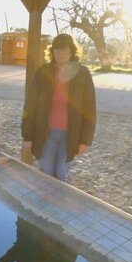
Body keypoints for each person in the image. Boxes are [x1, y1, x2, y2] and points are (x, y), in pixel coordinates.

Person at [21, 33, 96, 181]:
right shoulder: (43, 73)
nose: (60, 53)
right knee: (45, 172)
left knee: (61, 173)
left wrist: (85, 140)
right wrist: (27, 136)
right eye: (56, 49)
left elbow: (90, 109)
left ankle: (58, 202)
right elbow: (30, 106)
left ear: (72, 51)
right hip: (45, 133)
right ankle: (43, 202)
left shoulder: (83, 74)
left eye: (64, 49)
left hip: (70, 135)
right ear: (52, 51)